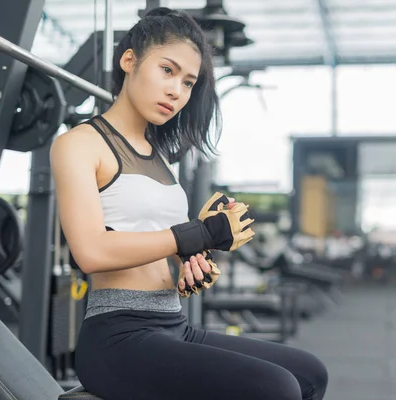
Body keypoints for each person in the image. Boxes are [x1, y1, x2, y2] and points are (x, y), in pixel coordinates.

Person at [50, 7, 328, 400]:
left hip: (173, 323)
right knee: (277, 388)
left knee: (309, 373)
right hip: (118, 336)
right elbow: (91, 251)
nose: (176, 91)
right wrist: (194, 234)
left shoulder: (159, 156)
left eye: (188, 82)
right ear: (129, 60)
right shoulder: (80, 143)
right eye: (167, 70)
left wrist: (192, 264)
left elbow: (167, 242)